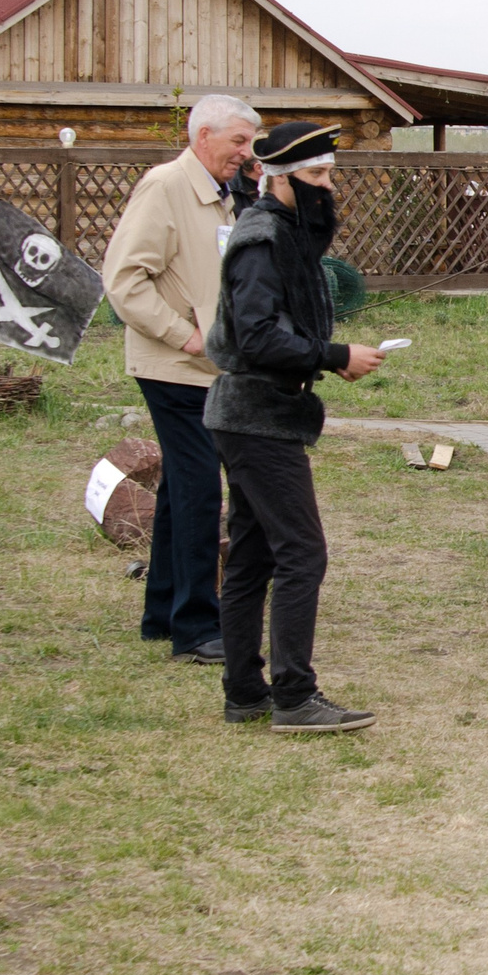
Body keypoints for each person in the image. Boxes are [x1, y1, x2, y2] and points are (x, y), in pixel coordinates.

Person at [203, 122, 389, 734]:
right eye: (314, 176)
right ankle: (293, 697)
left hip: (260, 413)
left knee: (254, 555)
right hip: (257, 416)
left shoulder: (280, 233)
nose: (326, 187)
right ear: (275, 178)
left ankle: (244, 691)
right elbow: (256, 336)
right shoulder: (261, 242)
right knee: (302, 554)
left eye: (328, 174)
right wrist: (335, 355)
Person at [101, 92, 261, 668]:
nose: (246, 153)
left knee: (179, 489)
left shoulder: (224, 195)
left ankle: (162, 611)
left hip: (206, 367)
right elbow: (123, 280)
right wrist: (184, 336)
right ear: (202, 137)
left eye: (250, 143)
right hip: (173, 366)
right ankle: (196, 627)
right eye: (237, 141)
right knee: (198, 487)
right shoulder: (166, 186)